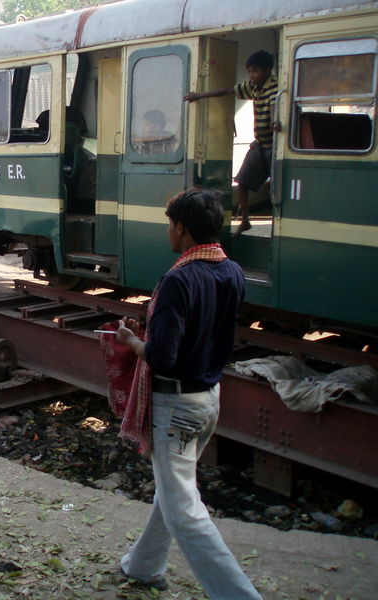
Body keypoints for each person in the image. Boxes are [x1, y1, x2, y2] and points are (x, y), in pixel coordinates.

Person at [113, 189, 261, 599]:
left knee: (185, 511)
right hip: (209, 399)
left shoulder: (177, 280)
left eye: (169, 225)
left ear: (181, 228)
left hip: (175, 406)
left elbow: (162, 357)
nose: (168, 232)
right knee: (173, 492)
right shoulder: (232, 271)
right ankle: (143, 567)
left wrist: (131, 340)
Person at [185, 50, 280, 236]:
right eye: (249, 71)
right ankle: (245, 220)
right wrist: (200, 96)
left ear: (267, 70)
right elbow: (228, 90)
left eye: (255, 71)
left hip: (275, 146)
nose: (251, 75)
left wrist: (274, 123)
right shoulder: (253, 86)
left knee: (277, 189)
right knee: (242, 181)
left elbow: (274, 109)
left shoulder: (274, 87)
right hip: (260, 143)